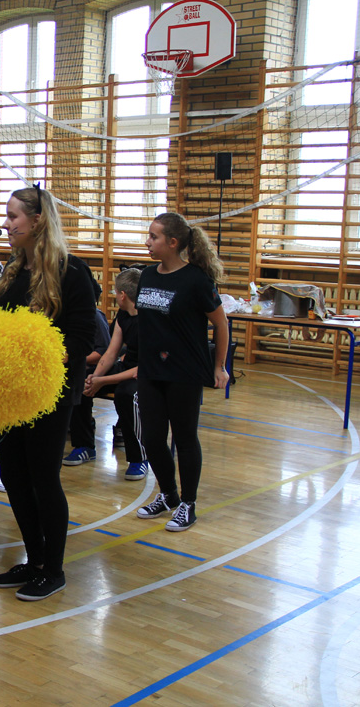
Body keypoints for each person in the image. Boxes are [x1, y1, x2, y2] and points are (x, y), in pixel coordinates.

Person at [0, 185, 95, 602]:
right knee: (13, 476)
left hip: (49, 393)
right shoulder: (13, 271)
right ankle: (34, 559)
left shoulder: (72, 272)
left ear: (36, 221)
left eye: (13, 216)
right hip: (9, 394)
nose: (6, 224)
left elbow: (82, 337)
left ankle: (54, 569)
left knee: (43, 479)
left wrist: (37, 360)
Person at [134, 212, 230, 533]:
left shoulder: (196, 280)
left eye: (154, 237)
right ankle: (168, 494)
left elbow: (221, 324)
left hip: (184, 371)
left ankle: (188, 503)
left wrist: (219, 366)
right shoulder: (147, 275)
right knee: (151, 438)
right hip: (151, 371)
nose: (147, 242)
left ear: (173, 242)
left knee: (185, 438)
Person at [85, 267, 148, 481]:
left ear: (122, 295)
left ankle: (139, 458)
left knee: (126, 395)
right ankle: (84, 445)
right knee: (82, 382)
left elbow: (141, 369)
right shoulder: (123, 315)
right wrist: (95, 377)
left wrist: (102, 380)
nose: (113, 295)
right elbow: (111, 352)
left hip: (147, 374)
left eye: (115, 292)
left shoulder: (149, 319)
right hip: (126, 367)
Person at [63, 306, 111, 464]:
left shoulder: (94, 316)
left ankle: (85, 446)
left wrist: (74, 358)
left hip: (97, 369)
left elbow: (103, 352)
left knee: (79, 385)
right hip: (75, 367)